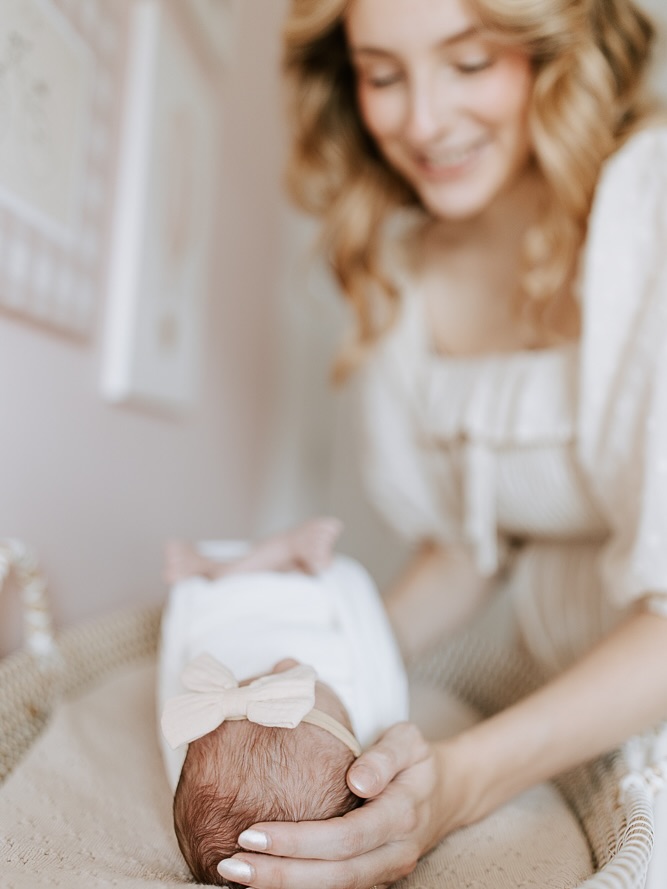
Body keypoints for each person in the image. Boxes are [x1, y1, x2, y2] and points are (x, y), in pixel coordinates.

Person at [211, 1, 667, 888]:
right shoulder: (403, 272)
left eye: (468, 63)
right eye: (382, 75)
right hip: (562, 702)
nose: (421, 121)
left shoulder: (650, 211)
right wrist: (310, 646)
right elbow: (466, 548)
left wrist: (459, 781)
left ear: (556, 50)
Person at [157, 518, 410, 885]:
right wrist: (339, 587)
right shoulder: (375, 722)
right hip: (308, 593)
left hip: (229, 601)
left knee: (223, 591)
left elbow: (172, 671)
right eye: (309, 684)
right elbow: (374, 651)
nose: (285, 664)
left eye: (263, 681)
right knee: (307, 578)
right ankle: (273, 557)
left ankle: (229, 566)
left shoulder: (189, 733)